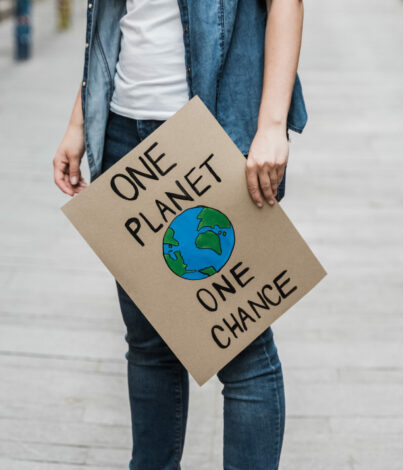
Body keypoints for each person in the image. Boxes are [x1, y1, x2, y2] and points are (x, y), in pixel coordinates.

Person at [53, 0, 307, 468]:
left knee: (243, 349)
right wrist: (78, 121)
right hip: (124, 133)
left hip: (214, 130)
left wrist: (272, 125)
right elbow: (118, 17)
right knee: (148, 343)